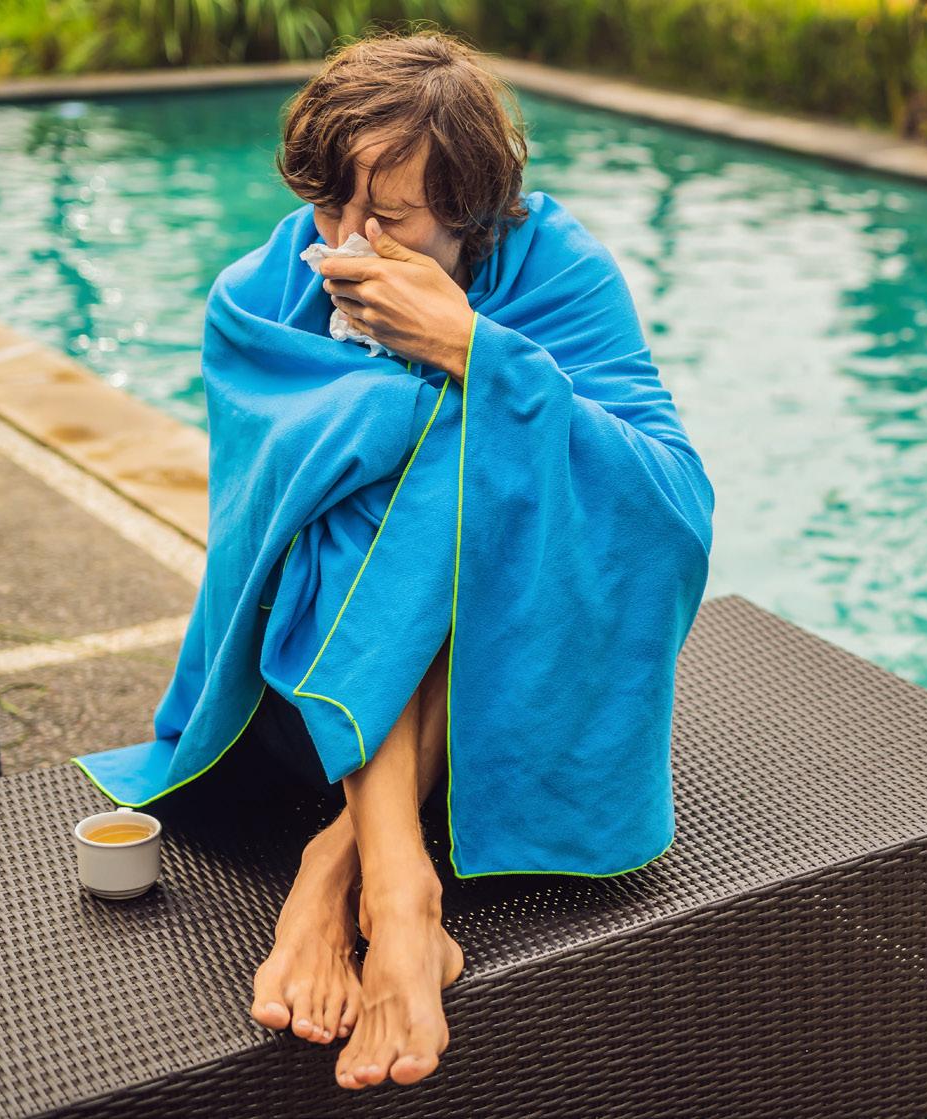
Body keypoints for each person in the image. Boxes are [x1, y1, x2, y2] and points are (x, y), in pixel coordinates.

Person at [72, 30, 713, 1092]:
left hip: (520, 674)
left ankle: (344, 864)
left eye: (392, 218)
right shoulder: (260, 291)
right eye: (329, 205)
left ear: (472, 210)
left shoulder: (561, 271)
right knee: (391, 473)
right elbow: (267, 528)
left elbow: (670, 506)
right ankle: (403, 887)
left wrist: (472, 347)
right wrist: (436, 402)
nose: (348, 240)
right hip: (302, 691)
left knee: (463, 458)